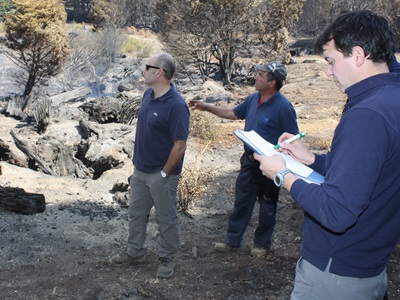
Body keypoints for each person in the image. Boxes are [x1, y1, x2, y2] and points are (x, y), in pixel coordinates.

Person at [254, 11, 400, 300]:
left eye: (331, 61)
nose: (328, 73)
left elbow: (337, 212)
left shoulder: (367, 115)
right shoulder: (390, 99)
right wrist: (312, 160)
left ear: (358, 55)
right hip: (368, 264)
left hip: (336, 275)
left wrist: (283, 174)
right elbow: (370, 171)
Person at [189, 62, 298, 257]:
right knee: (241, 202)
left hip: (270, 165)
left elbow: (293, 139)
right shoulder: (253, 99)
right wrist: (207, 108)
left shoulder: (284, 107)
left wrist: (281, 154)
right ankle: (232, 242)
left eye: (261, 75)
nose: (256, 77)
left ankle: (262, 245)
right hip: (249, 161)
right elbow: (233, 113)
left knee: (267, 205)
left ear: (272, 82)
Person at [110, 53, 190, 279]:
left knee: (166, 218)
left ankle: (166, 258)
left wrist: (165, 172)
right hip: (140, 171)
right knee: (136, 214)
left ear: (159, 72)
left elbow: (180, 145)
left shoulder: (176, 106)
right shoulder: (148, 94)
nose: (143, 70)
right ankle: (135, 252)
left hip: (161, 174)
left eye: (147, 66)